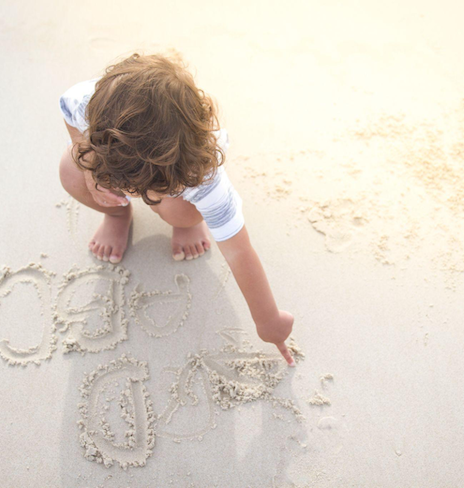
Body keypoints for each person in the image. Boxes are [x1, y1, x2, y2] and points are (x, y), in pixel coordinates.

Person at [58, 53, 295, 365]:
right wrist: (91, 173)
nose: (135, 194)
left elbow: (239, 252)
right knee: (70, 171)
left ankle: (186, 223)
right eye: (127, 187)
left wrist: (268, 319)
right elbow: (68, 111)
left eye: (142, 190)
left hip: (177, 180)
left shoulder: (202, 176)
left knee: (180, 210)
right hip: (110, 143)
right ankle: (116, 214)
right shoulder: (90, 104)